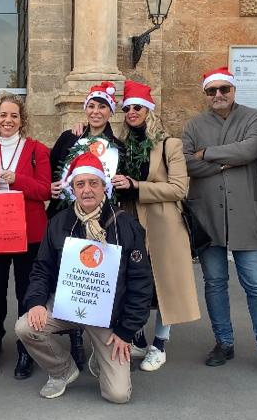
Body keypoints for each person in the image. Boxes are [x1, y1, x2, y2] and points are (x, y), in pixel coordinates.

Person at [14, 152, 153, 404]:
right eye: (80, 184)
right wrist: (35, 302)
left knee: (118, 395)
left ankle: (101, 357)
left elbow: (141, 284)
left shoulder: (126, 226)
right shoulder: (58, 223)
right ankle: (62, 370)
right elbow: (42, 268)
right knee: (25, 326)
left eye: (93, 183)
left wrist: (126, 331)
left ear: (104, 187)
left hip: (108, 316)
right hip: (67, 305)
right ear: (73, 189)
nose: (87, 190)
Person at [182, 66, 257, 379]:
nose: (218, 95)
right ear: (205, 94)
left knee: (256, 285)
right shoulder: (194, 125)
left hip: (245, 216)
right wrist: (230, 162)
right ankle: (223, 342)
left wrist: (209, 154)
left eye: (224, 89)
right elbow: (187, 164)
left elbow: (251, 149)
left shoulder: (255, 118)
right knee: (214, 283)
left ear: (234, 90)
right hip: (208, 216)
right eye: (212, 91)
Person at [110, 80, 200, 372]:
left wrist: (137, 185)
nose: (131, 112)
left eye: (137, 107)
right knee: (133, 281)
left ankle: (160, 343)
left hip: (163, 225)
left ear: (148, 111)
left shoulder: (169, 144)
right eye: (127, 108)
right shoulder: (121, 145)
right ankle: (136, 337)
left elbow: (178, 189)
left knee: (164, 284)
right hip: (130, 221)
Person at [46, 81, 126, 369]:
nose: (95, 111)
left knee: (92, 278)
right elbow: (51, 167)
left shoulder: (117, 147)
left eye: (101, 106)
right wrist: (52, 187)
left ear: (110, 112)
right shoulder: (70, 137)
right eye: (91, 106)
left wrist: (124, 183)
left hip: (100, 220)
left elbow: (124, 182)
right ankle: (74, 338)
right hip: (67, 215)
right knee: (66, 276)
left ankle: (98, 341)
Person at [0, 92, 51, 379]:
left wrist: (17, 179)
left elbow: (45, 190)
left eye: (14, 115)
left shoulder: (36, 150)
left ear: (22, 120)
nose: (8, 120)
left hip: (29, 234)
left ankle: (26, 350)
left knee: (25, 293)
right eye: (3, 115)